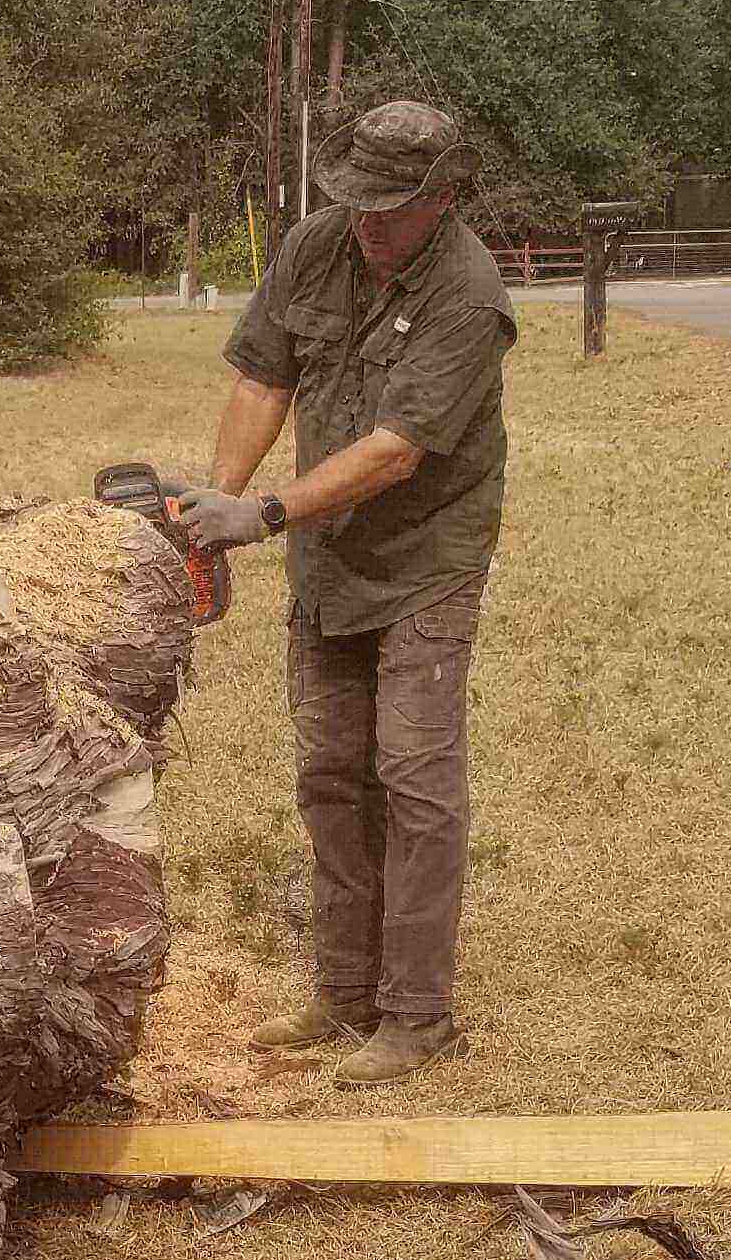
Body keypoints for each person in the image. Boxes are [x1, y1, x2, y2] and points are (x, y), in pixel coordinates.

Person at [175, 100, 513, 1090]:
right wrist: (219, 511)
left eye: (391, 206)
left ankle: (417, 1016)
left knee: (412, 777)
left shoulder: (467, 292)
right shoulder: (317, 246)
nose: (366, 220)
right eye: (356, 199)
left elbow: (397, 450)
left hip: (424, 556)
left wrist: (268, 514)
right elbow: (261, 381)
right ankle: (342, 993)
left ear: (443, 200)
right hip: (327, 552)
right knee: (329, 772)